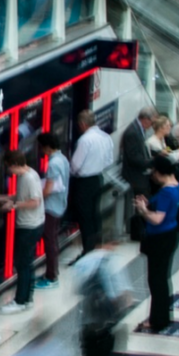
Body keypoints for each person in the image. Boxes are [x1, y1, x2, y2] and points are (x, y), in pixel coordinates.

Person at [74, 245, 133, 356]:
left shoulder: (82, 264)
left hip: (88, 327)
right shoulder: (112, 262)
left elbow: (77, 291)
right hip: (109, 327)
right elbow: (123, 297)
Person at [135, 156, 179, 332]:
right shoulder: (176, 186)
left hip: (160, 238)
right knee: (162, 278)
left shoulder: (166, 192)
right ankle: (161, 316)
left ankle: (157, 319)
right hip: (170, 234)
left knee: (156, 280)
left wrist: (143, 210)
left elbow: (157, 219)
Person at [0, 150, 45, 315]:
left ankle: (20, 301)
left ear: (14, 165)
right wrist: (1, 198)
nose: (9, 171)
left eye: (9, 167)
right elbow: (21, 196)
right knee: (27, 264)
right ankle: (27, 299)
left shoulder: (29, 178)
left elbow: (34, 201)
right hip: (33, 225)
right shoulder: (29, 175)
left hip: (29, 227)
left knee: (23, 265)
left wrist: (14, 206)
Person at [69, 110, 114, 256]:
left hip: (84, 182)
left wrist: (73, 174)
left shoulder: (85, 140)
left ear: (82, 124)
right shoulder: (105, 137)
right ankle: (97, 244)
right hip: (98, 179)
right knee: (95, 214)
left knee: (85, 217)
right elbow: (109, 161)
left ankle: (88, 250)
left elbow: (75, 165)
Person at [36, 131, 69, 290]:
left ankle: (51, 276)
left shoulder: (54, 163)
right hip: (59, 205)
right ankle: (52, 273)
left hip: (51, 208)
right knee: (52, 240)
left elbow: (48, 189)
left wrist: (35, 198)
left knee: (49, 242)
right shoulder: (62, 159)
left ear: (47, 147)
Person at [121, 106, 157, 197]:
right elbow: (133, 157)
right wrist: (151, 162)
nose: (152, 126)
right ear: (145, 120)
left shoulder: (139, 129)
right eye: (152, 123)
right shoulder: (132, 132)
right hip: (135, 177)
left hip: (141, 175)